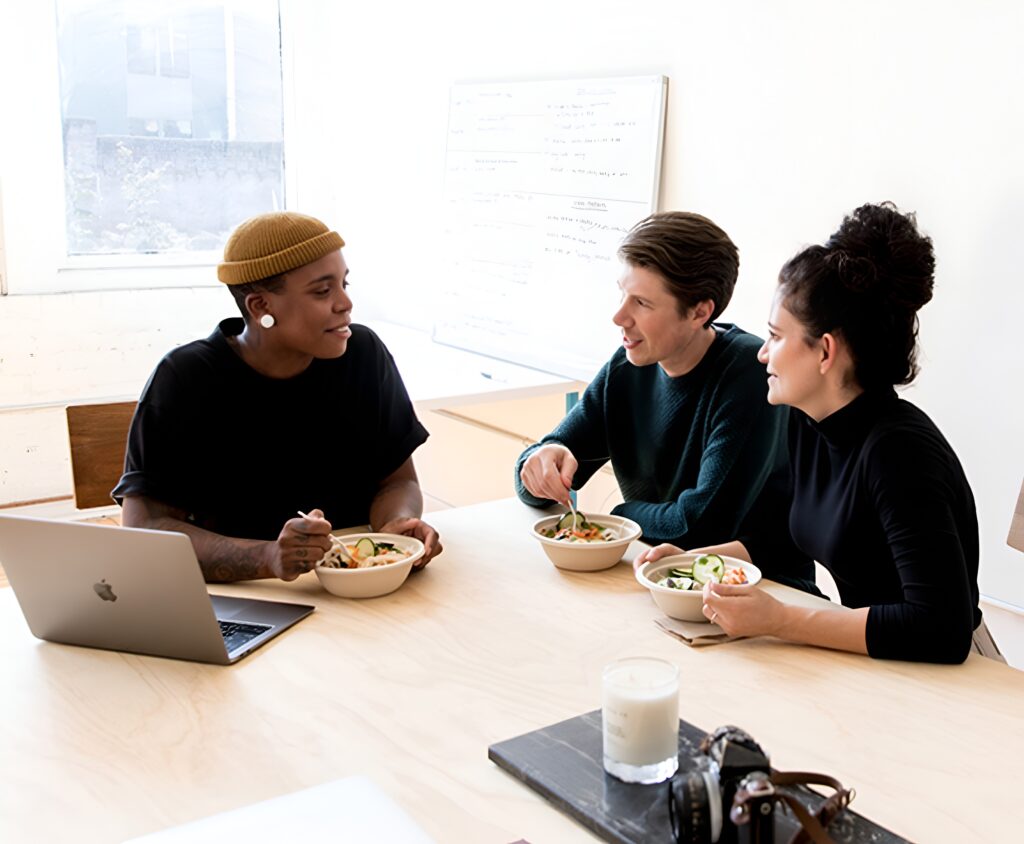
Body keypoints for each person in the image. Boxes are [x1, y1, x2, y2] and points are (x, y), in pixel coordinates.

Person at [637, 202, 996, 664]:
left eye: (775, 336)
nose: (762, 354)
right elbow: (776, 537)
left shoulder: (900, 452)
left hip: (957, 679)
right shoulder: (808, 422)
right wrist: (690, 562)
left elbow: (939, 628)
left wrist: (781, 620)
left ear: (825, 351)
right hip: (879, 665)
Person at [114, 211, 442, 582]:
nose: (345, 303)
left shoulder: (363, 353)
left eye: (344, 284)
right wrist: (268, 557)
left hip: (359, 591)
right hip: (246, 599)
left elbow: (397, 480)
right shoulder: (186, 377)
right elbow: (146, 527)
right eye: (323, 290)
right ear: (260, 307)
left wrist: (395, 526)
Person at [516, 212, 809, 585]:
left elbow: (697, 528)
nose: (619, 316)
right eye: (622, 294)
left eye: (642, 303)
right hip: (661, 580)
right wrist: (539, 462)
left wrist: (620, 514)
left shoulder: (748, 376)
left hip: (761, 593)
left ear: (700, 312)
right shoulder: (627, 365)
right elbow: (535, 484)